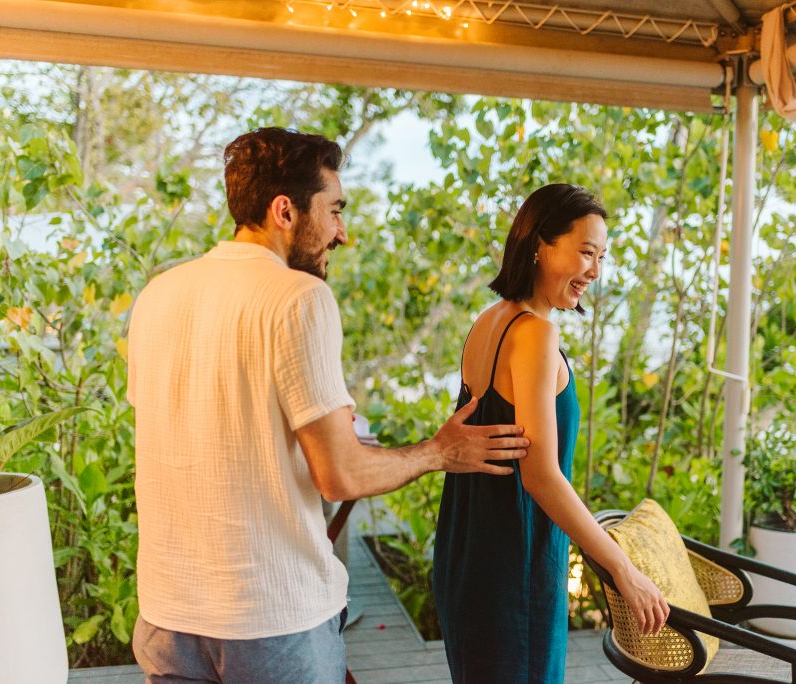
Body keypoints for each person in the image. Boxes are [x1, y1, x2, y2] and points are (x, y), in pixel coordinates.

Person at [127, 127, 529, 684]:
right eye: (334, 210)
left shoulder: (158, 295)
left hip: (168, 616)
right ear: (285, 211)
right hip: (269, 620)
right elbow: (340, 474)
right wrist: (439, 451)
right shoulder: (299, 298)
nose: (342, 233)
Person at [432, 184, 670, 683]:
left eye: (601, 256)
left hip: (467, 552)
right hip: (514, 566)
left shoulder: (489, 322)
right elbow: (540, 475)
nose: (595, 271)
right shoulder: (536, 334)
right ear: (539, 243)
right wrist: (623, 570)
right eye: (585, 252)